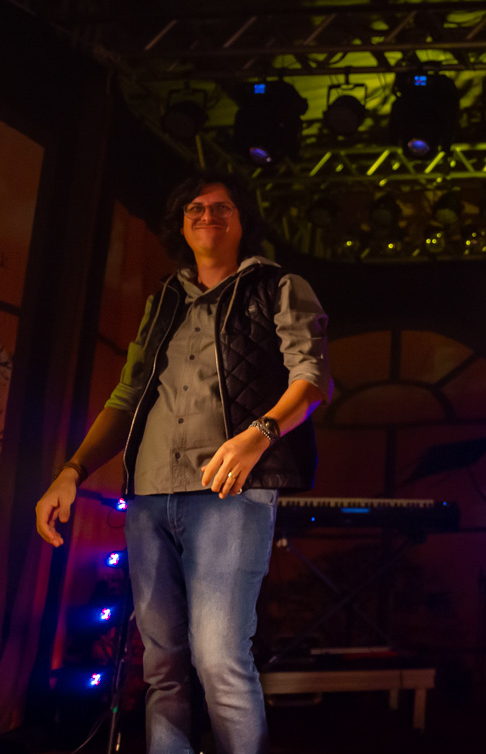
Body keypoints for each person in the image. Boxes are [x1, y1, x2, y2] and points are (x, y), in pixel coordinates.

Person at [34, 170, 333, 754]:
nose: (207, 216)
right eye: (195, 208)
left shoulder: (279, 285)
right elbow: (127, 396)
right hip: (149, 496)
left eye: (222, 207)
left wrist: (259, 434)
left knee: (220, 660)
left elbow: (313, 381)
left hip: (230, 493)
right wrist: (72, 471)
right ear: (180, 224)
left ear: (243, 222)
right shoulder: (163, 300)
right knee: (162, 667)